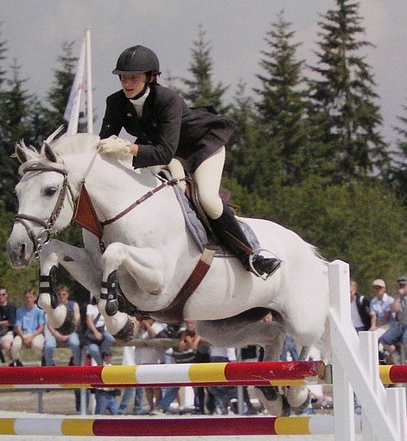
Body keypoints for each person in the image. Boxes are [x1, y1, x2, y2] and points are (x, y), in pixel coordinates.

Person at [98, 45, 280, 279]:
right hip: (167, 153)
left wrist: (125, 147)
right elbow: (103, 140)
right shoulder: (115, 102)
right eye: (123, 77)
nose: (127, 83)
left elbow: (163, 152)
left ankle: (251, 255)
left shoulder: (167, 100)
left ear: (151, 77)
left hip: (201, 148)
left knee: (208, 200)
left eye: (134, 77)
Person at [44, 285, 82, 366]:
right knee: (48, 346)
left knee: (75, 344)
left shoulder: (74, 305)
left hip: (71, 333)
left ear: (67, 295)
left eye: (64, 294)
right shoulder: (53, 307)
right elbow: (49, 324)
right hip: (56, 333)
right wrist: (58, 335)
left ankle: (76, 365)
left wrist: (68, 334)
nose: (61, 296)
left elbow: (76, 321)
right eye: (59, 294)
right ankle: (50, 367)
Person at [11, 289, 49, 366]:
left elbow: (41, 327)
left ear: (35, 298)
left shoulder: (39, 310)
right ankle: (17, 361)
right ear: (24, 298)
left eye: (31, 297)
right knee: (15, 345)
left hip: (35, 334)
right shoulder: (19, 311)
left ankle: (42, 358)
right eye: (27, 297)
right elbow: (18, 326)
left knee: (37, 345)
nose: (28, 299)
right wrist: (23, 337)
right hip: (23, 334)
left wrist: (31, 337)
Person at [83, 296, 115, 365]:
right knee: (93, 350)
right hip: (93, 333)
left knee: (111, 338)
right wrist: (95, 332)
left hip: (104, 332)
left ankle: (102, 353)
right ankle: (101, 364)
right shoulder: (91, 306)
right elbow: (89, 321)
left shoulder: (106, 307)